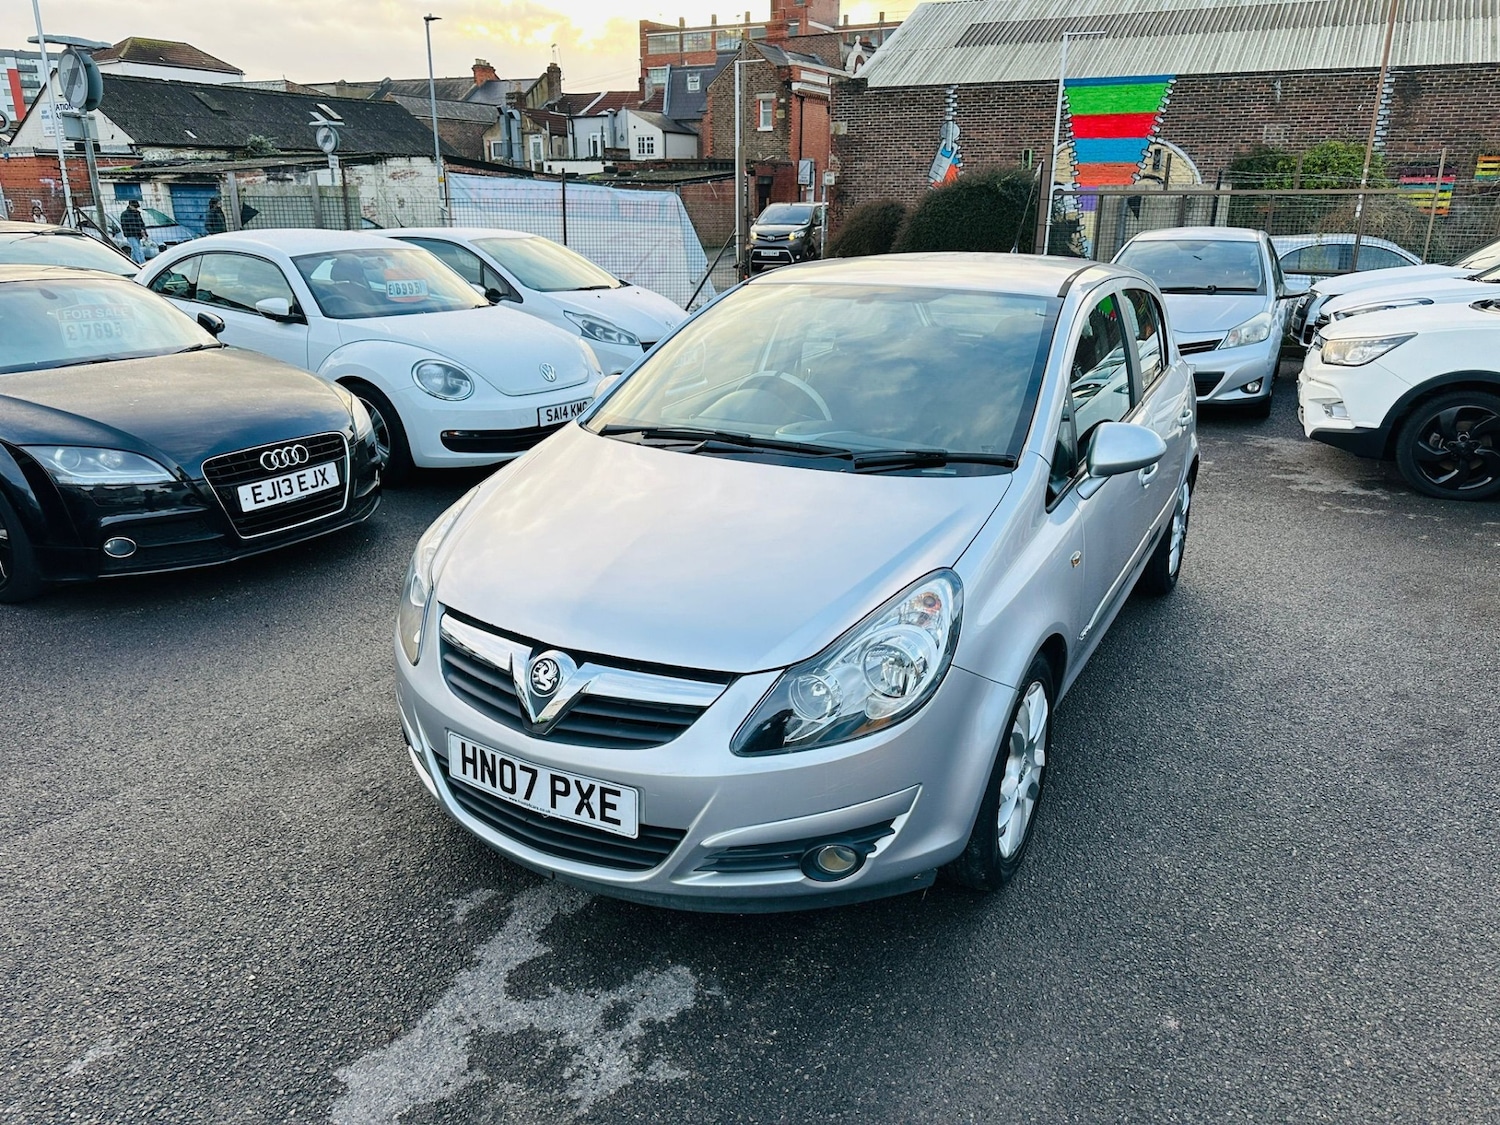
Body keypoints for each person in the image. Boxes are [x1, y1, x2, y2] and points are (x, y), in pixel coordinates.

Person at [120, 199, 147, 264]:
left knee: (134, 250)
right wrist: (140, 230)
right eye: (135, 207)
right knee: (137, 249)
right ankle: (142, 263)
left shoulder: (137, 213)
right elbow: (126, 226)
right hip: (130, 234)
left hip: (137, 234)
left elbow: (141, 223)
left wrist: (144, 232)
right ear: (130, 206)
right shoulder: (125, 214)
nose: (136, 208)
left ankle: (131, 263)